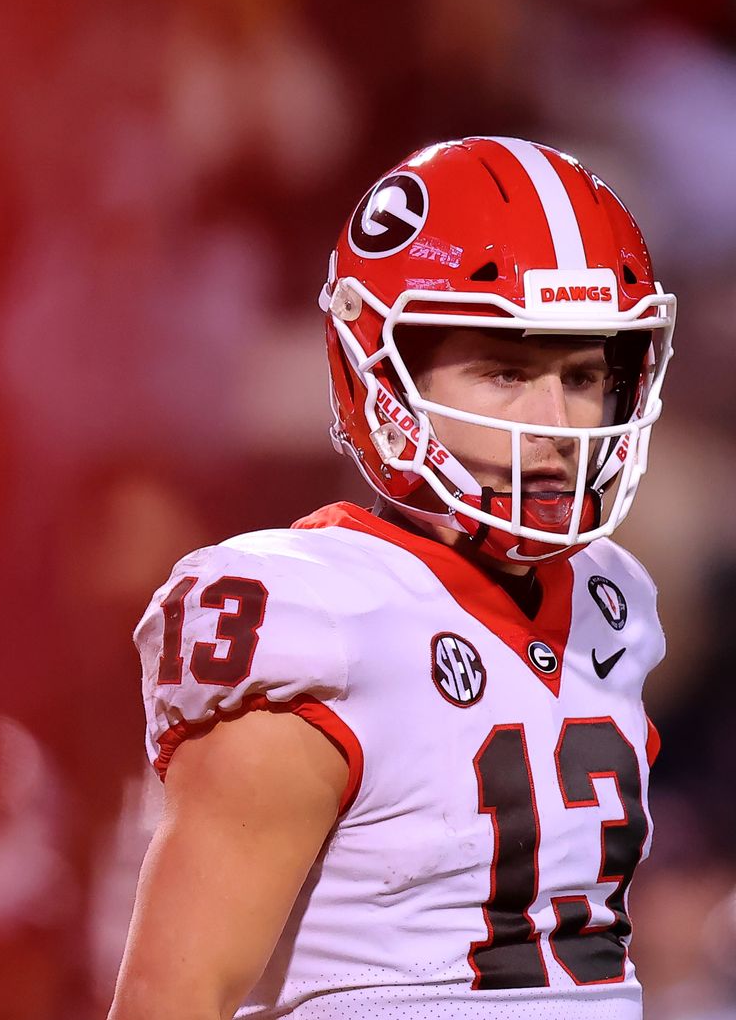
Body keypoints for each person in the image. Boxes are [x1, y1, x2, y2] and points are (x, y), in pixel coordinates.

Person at [108, 136, 679, 1019]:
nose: (558, 421)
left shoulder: (617, 605)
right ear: (387, 380)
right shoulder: (316, 618)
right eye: (505, 370)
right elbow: (174, 998)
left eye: (582, 375)